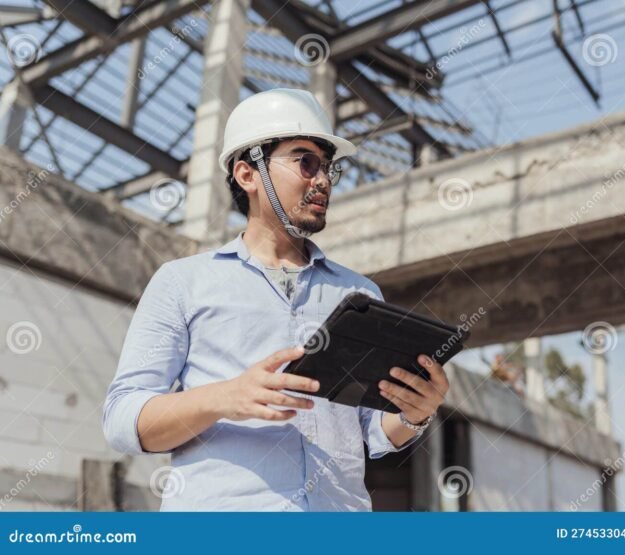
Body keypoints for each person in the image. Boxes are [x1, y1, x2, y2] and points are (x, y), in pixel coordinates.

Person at [102, 89, 450, 511]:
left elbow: (374, 432)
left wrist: (416, 412)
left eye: (328, 168)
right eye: (305, 162)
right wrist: (224, 396)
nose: (322, 180)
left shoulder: (360, 295)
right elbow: (123, 421)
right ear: (248, 174)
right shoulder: (182, 282)